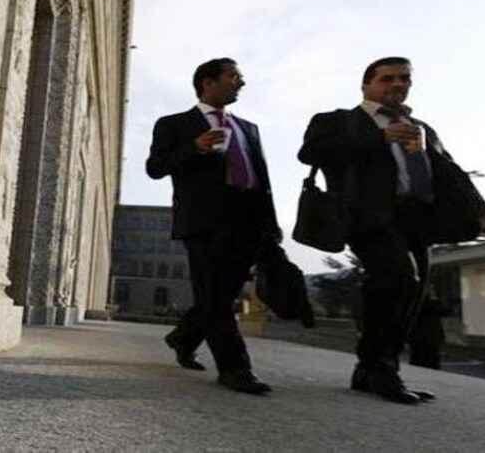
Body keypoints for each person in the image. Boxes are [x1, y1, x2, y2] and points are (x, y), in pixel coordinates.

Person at [298, 57, 448, 404]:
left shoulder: (421, 127)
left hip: (418, 218)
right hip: (367, 215)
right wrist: (380, 138)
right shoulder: (337, 120)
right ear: (366, 85)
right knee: (398, 277)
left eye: (404, 78)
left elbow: (445, 171)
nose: (397, 84)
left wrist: (475, 209)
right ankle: (379, 368)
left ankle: (374, 369)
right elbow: (311, 152)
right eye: (387, 78)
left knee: (413, 294)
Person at [146, 58, 280, 395]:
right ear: (208, 82)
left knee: (220, 294)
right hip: (203, 221)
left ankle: (183, 337)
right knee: (216, 298)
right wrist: (195, 147)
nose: (241, 83)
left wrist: (271, 223)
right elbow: (155, 167)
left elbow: (261, 179)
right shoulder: (174, 124)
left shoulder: (249, 129)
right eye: (234, 76)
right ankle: (236, 369)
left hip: (248, 220)